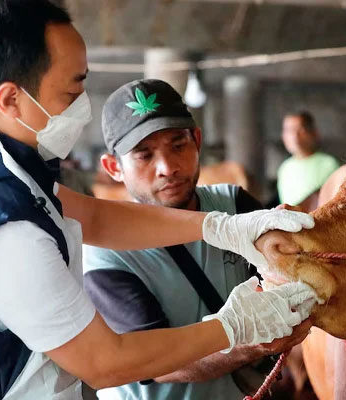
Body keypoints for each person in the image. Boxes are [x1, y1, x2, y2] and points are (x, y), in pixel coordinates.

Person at [0, 2, 318, 399]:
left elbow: (92, 215)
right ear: (10, 99)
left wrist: (222, 227)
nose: (82, 105)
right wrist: (236, 326)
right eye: (70, 91)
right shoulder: (1, 232)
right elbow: (104, 361)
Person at [84, 79, 312, 400]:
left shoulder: (235, 206)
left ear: (197, 141)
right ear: (114, 168)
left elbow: (288, 281)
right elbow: (155, 362)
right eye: (144, 155)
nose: (167, 167)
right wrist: (246, 346)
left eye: (178, 146)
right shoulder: (104, 252)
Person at [277, 111, 340, 207]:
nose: (295, 136)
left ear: (314, 133)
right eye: (289, 130)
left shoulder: (329, 164)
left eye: (300, 129)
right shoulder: (284, 168)